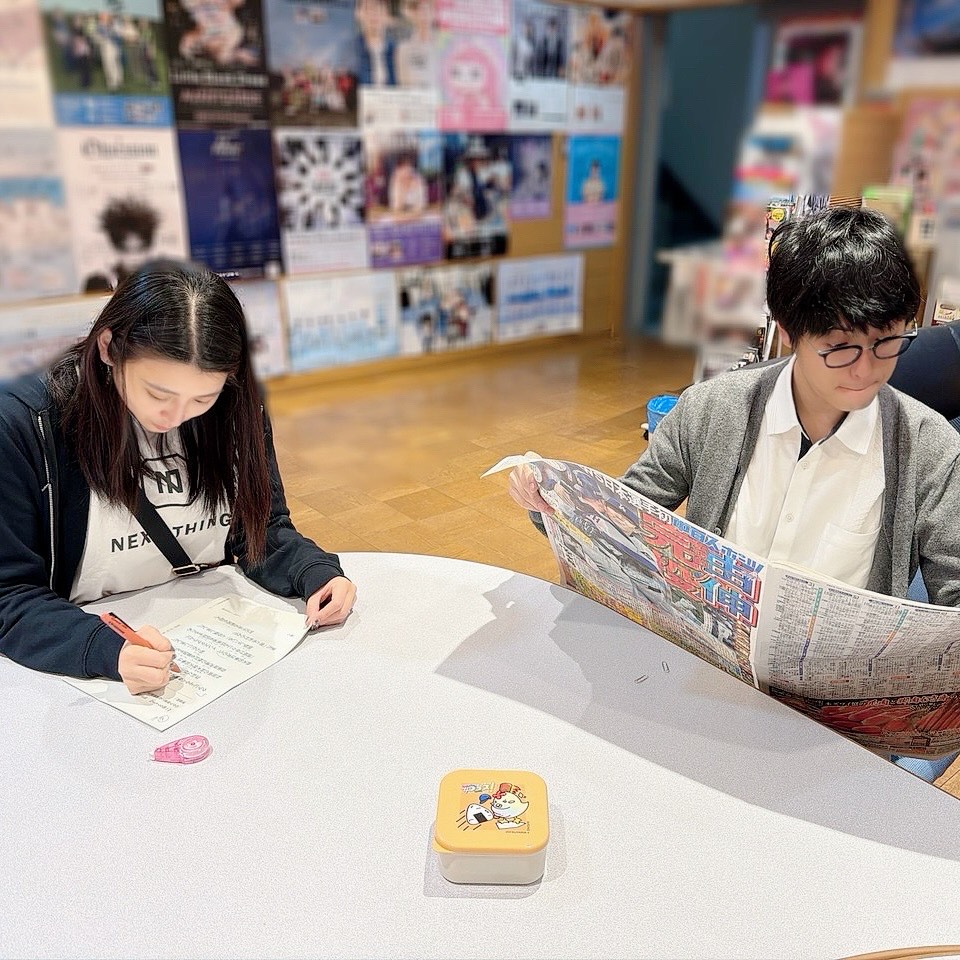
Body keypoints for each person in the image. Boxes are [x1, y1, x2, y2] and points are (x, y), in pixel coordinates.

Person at [508, 206, 960, 777]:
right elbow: (620, 514)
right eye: (842, 347)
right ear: (791, 331)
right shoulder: (713, 410)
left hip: (833, 743)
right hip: (702, 692)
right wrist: (548, 499)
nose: (867, 369)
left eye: (889, 342)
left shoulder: (929, 447)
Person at [0, 259, 356, 696]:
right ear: (109, 348)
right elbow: (10, 597)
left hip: (212, 645)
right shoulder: (24, 424)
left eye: (202, 397)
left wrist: (314, 572)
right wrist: (101, 648)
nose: (175, 416)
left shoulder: (235, 408)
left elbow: (259, 529)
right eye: (157, 393)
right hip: (89, 675)